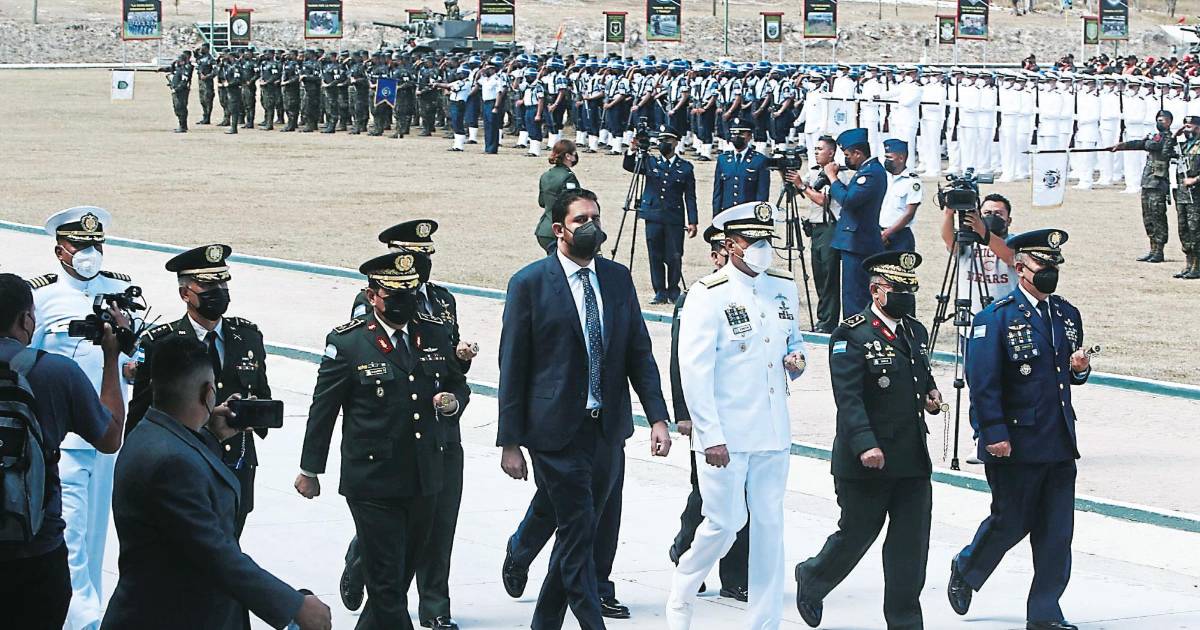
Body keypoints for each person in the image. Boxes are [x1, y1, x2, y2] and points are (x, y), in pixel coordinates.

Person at [497, 188, 672, 630]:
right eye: (581, 220)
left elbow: (638, 352)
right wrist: (510, 441)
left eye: (596, 217)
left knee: (581, 531)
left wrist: (657, 416)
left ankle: (544, 622)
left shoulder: (616, 278)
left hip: (606, 428)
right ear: (559, 229)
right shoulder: (530, 284)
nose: (591, 226)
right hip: (554, 431)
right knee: (578, 532)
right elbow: (512, 366)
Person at [102, 336, 332, 630]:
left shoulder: (152, 434)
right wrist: (293, 606)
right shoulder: (172, 462)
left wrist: (212, 436)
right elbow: (214, 553)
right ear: (208, 393)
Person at [296, 250, 469, 630]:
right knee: (388, 585)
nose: (404, 302)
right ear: (372, 295)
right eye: (394, 296)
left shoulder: (432, 332)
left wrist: (454, 402)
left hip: (425, 477)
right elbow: (323, 410)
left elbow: (457, 383)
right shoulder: (349, 342)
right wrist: (310, 470)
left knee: (396, 581)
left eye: (410, 294)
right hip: (373, 482)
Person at [666, 201, 808, 630]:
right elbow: (694, 370)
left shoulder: (783, 286)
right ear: (731, 245)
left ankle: (764, 622)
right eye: (753, 240)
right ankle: (683, 589)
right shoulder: (708, 294)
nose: (763, 248)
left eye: (767, 240)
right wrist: (709, 435)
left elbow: (793, 341)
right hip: (726, 433)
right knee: (724, 524)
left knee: (768, 527)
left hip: (772, 430)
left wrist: (797, 359)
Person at [948, 229, 1091, 630]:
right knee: (1010, 521)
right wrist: (992, 433)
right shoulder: (996, 318)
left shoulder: (1066, 314)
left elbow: (1065, 375)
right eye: (1042, 264)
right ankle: (967, 566)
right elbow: (983, 383)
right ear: (1020, 266)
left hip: (1058, 439)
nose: (1049, 272)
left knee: (1056, 534)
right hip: (1015, 441)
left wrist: (1081, 370)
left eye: (1054, 265)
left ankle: (1045, 614)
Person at [341, 220, 479, 630]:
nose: (421, 263)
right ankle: (361, 560)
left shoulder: (442, 299)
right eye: (413, 254)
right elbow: (372, 359)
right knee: (390, 527)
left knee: (440, 518)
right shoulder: (371, 300)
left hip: (441, 427)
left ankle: (435, 606)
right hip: (397, 436)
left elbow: (445, 367)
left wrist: (460, 360)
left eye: (426, 255)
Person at [794, 251, 942, 630]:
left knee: (911, 547)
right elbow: (849, 398)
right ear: (876, 291)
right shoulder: (851, 333)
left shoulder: (915, 331)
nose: (906, 297)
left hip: (911, 458)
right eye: (898, 289)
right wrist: (865, 444)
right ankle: (813, 576)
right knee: (857, 534)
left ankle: (905, 622)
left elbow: (918, 373)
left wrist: (931, 393)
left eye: (910, 290)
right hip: (867, 460)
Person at [27, 206, 136, 630]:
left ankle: (89, 613)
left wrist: (132, 364)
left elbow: (135, 355)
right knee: (69, 532)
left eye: (97, 244)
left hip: (109, 433)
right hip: (64, 439)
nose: (91, 253)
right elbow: (26, 362)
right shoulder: (41, 297)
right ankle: (84, 621)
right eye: (80, 245)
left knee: (94, 536)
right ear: (61, 251)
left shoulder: (121, 290)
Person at [0, 273, 127, 630]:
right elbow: (110, 438)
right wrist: (111, 359)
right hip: (36, 552)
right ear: (26, 319)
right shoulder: (55, 372)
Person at [126, 244, 270, 537]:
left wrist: (252, 413)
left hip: (235, 464)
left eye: (222, 283)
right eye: (207, 285)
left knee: (229, 547)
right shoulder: (162, 344)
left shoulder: (248, 338)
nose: (218, 292)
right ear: (185, 294)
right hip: (181, 464)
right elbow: (140, 416)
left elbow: (263, 396)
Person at [665, 225, 749, 601]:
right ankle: (686, 552)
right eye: (725, 252)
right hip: (707, 417)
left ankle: (736, 577)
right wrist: (683, 412)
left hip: (745, 417)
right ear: (716, 256)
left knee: (746, 495)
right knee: (706, 495)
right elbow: (680, 360)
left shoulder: (751, 294)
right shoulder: (698, 297)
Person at [624, 125, 699, 304]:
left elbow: (690, 196)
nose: (663, 143)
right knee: (655, 255)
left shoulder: (685, 167)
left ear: (675, 142)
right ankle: (659, 291)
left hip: (674, 216)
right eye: (661, 140)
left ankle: (673, 289)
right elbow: (629, 166)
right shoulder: (650, 162)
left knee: (674, 255)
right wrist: (632, 149)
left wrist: (693, 221)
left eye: (667, 140)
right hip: (653, 214)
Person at [828, 128, 887, 318]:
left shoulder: (871, 173)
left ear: (858, 153)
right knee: (853, 292)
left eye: (847, 155)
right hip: (855, 240)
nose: (846, 160)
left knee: (855, 295)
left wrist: (832, 178)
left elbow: (848, 200)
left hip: (858, 241)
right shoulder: (866, 171)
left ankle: (856, 329)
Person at [787, 135, 843, 333]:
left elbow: (823, 200)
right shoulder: (813, 171)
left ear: (831, 152)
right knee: (819, 275)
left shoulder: (837, 173)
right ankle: (823, 319)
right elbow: (795, 189)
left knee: (829, 277)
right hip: (816, 229)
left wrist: (802, 186)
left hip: (830, 227)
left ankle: (828, 322)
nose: (816, 152)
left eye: (820, 149)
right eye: (815, 149)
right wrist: (787, 173)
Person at [1110, 109, 1177, 263]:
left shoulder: (1168, 137)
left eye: (1163, 120)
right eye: (1158, 119)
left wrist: (1146, 141)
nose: (1160, 122)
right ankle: (1152, 248)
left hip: (1158, 184)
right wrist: (1122, 145)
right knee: (1148, 217)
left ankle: (1159, 250)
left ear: (1169, 122)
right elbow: (1141, 144)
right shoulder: (1156, 136)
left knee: (1158, 216)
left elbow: (1154, 145)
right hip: (1148, 182)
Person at [940, 192, 1019, 315]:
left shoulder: (1016, 242)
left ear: (1009, 221)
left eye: (998, 213)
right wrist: (949, 212)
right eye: (987, 213)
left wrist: (981, 229)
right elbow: (949, 240)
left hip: (1006, 315)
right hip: (971, 314)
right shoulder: (967, 240)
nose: (992, 217)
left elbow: (1010, 257)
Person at [712, 117, 771, 216]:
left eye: (741, 134)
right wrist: (716, 216)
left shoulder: (759, 160)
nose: (736, 137)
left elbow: (762, 194)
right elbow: (718, 192)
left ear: (749, 136)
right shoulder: (723, 160)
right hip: (726, 214)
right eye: (734, 134)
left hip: (748, 214)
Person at [536, 139, 583, 253]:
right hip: (560, 231)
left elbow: (542, 202)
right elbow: (574, 204)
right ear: (568, 156)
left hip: (544, 229)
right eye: (574, 153)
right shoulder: (568, 177)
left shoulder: (546, 175)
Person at [879, 139, 923, 253]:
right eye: (885, 157)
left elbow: (909, 214)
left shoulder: (912, 182)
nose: (886, 161)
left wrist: (887, 233)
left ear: (901, 158)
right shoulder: (883, 177)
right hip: (879, 233)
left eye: (889, 157)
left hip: (900, 236)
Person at [1174, 115, 1200, 279]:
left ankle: (1197, 266)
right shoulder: (1182, 145)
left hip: (1196, 194)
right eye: (1184, 126)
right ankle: (1189, 264)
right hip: (1182, 194)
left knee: (1195, 230)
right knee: (1184, 230)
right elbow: (1165, 151)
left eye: (1189, 126)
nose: (1186, 129)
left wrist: (1195, 179)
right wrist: (1173, 136)